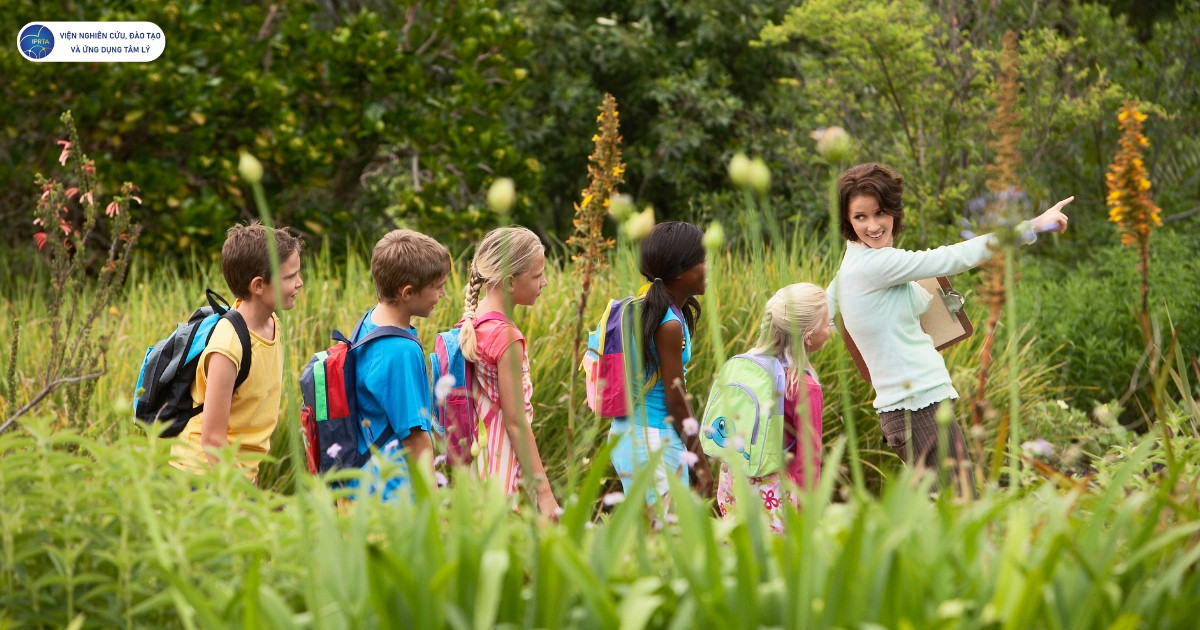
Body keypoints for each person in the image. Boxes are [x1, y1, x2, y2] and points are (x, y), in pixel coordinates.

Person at [826, 162, 1071, 493]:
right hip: (918, 409)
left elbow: (821, 310)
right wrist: (1033, 225)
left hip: (913, 409)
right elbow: (953, 257)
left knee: (948, 520)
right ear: (848, 221)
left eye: (880, 212)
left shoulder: (853, 262)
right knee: (961, 512)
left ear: (894, 211)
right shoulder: (875, 265)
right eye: (860, 217)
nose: (873, 225)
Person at [171, 221, 304, 482]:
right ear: (258, 285)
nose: (299, 283)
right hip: (203, 476)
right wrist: (238, 493)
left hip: (237, 471)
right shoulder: (227, 347)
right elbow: (212, 439)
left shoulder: (271, 322)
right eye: (290, 277)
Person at [609, 221, 715, 507]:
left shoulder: (639, 306)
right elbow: (676, 401)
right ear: (680, 272)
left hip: (626, 435)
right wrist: (701, 465)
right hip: (652, 440)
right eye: (703, 260)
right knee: (667, 540)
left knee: (650, 537)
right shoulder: (667, 323)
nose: (709, 267)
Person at [458, 226, 560, 518]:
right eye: (537, 275)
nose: (546, 282)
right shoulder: (506, 337)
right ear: (510, 282)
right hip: (504, 469)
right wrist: (545, 494)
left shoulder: (472, 326)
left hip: (477, 465)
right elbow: (516, 423)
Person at [715, 283, 830, 533]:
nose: (829, 330)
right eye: (826, 323)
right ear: (808, 336)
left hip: (734, 480)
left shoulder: (748, 367)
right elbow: (808, 459)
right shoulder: (804, 387)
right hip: (775, 492)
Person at [345, 229, 450, 502]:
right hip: (392, 497)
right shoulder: (401, 350)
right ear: (408, 292)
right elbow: (415, 440)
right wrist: (434, 512)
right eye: (438, 286)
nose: (443, 293)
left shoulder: (369, 323)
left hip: (362, 484)